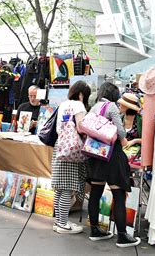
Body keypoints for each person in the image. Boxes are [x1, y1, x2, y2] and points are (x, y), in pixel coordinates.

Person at [86, 82, 141, 247]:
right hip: (112, 155)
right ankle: (122, 235)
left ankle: (95, 230)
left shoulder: (94, 107)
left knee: (95, 193)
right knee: (118, 195)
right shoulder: (111, 107)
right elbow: (121, 131)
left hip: (95, 154)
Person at [51, 80, 91, 234]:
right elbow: (81, 127)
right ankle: (63, 224)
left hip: (60, 146)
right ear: (81, 94)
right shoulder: (79, 105)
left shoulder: (63, 104)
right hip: (73, 149)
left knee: (60, 188)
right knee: (68, 188)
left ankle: (59, 222)